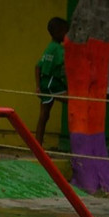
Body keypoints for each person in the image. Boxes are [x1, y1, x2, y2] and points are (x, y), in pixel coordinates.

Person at [34, 17, 68, 148]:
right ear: (59, 32)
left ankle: (37, 145)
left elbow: (37, 66)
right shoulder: (58, 49)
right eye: (66, 32)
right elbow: (66, 65)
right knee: (74, 100)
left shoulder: (50, 47)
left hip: (45, 82)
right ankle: (37, 145)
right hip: (52, 82)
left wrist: (38, 86)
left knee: (44, 115)